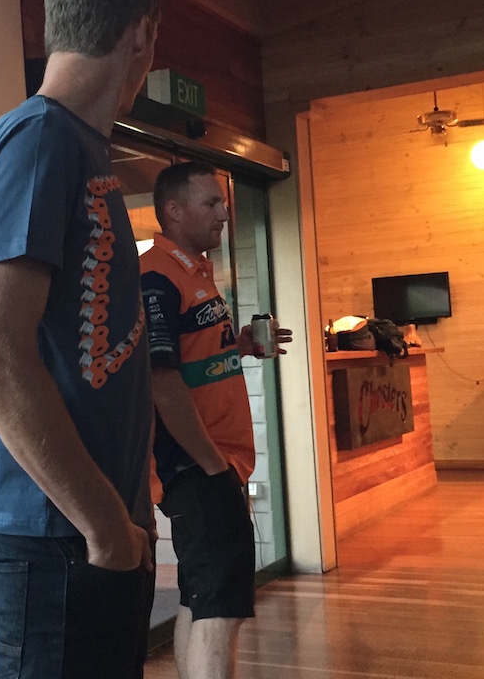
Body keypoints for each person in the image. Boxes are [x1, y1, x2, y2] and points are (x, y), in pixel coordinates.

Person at [0, 0, 161, 679]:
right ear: (142, 34)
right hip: (58, 533)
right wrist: (105, 528)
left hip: (88, 528)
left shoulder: (77, 148)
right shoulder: (40, 139)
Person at [140, 161, 291, 679]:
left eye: (223, 203)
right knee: (220, 610)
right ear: (174, 211)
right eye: (211, 203)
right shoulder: (157, 276)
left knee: (200, 599)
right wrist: (210, 465)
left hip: (213, 462)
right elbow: (160, 380)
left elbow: (186, 361)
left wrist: (238, 346)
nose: (224, 214)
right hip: (196, 464)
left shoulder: (194, 271)